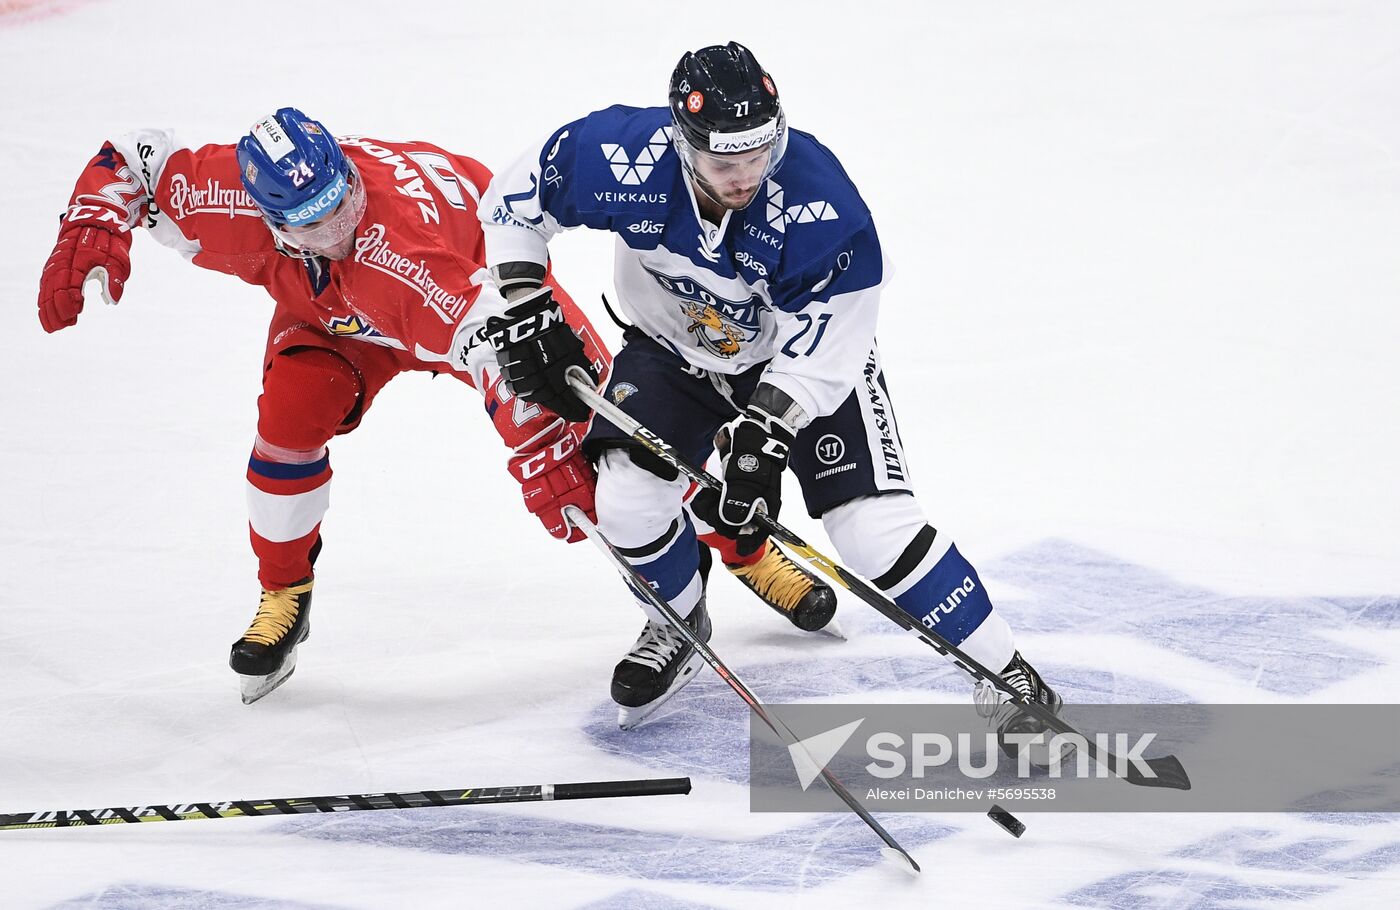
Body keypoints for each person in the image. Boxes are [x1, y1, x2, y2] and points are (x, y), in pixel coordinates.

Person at [479, 42, 1060, 731]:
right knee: (628, 500)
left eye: (761, 152)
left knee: (870, 531)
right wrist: (525, 300)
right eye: (727, 162)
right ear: (681, 141)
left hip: (798, 362)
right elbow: (517, 203)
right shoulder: (620, 155)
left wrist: (764, 437)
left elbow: (830, 343)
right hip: (671, 351)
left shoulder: (820, 202)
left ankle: (1009, 677)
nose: (748, 175)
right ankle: (678, 618)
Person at [35, 108, 611, 704]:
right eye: (310, 225)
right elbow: (134, 158)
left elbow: (499, 340)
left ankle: (710, 546)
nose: (336, 232)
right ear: (267, 217)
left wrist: (544, 443)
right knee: (287, 420)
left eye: (342, 203)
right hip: (337, 319)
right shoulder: (224, 197)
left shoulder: (401, 253)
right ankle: (284, 591)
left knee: (606, 429)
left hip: (474, 285)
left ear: (347, 172)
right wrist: (93, 222)